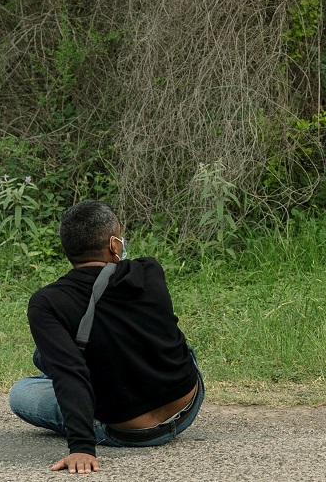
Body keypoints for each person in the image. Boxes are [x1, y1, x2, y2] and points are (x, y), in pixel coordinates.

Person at [11, 201, 202, 475]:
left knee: (22, 391)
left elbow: (70, 372)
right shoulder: (149, 271)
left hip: (132, 431)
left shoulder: (48, 302)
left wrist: (82, 447)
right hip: (187, 403)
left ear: (68, 249)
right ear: (114, 245)